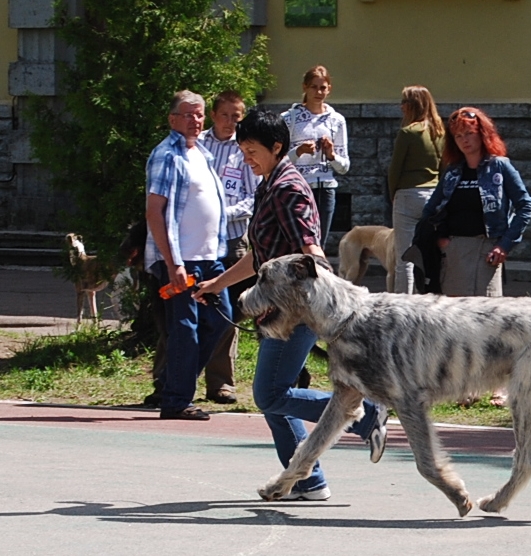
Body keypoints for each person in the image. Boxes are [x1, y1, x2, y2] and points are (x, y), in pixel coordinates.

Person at [193, 107, 388, 501]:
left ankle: (368, 415)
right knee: (274, 399)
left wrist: (331, 301)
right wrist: (217, 283)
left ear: (276, 146)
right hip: (277, 309)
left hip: (298, 310)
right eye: (242, 149)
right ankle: (307, 480)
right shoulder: (268, 184)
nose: (245, 157)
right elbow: (259, 257)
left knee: (269, 394)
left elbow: (310, 250)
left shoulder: (289, 189)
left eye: (251, 149)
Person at [418, 106, 531, 406]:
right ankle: (466, 387)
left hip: (488, 250)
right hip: (456, 249)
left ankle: (500, 385)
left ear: (482, 134)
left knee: (492, 321)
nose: (464, 141)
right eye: (458, 136)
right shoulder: (453, 172)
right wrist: (442, 239)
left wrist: (505, 244)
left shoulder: (500, 167)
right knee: (458, 323)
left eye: (469, 134)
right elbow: (432, 209)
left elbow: (525, 206)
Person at [144, 90, 233, 421]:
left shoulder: (203, 154)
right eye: (188, 114)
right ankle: (176, 400)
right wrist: (173, 263)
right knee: (186, 328)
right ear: (172, 120)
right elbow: (155, 212)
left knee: (221, 319)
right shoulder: (167, 155)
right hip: (183, 260)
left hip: (211, 257)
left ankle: (171, 384)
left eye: (199, 114)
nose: (196, 120)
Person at [198, 90, 262, 404]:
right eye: (225, 115)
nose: (230, 122)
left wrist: (226, 212)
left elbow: (255, 196)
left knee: (227, 313)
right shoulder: (198, 145)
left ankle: (221, 383)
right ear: (213, 115)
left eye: (236, 117)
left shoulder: (245, 151)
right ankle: (175, 378)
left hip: (233, 239)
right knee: (190, 308)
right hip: (198, 242)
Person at [281, 65, 349, 247]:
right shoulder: (289, 118)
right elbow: (278, 160)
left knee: (318, 244)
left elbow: (344, 167)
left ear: (329, 89)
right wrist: (299, 151)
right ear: (305, 87)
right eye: (314, 87)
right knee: (297, 242)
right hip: (297, 188)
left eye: (323, 88)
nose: (319, 92)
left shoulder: (337, 120)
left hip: (325, 189)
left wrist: (331, 154)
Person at [388, 85, 445, 294]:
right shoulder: (440, 132)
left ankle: (403, 303)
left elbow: (395, 168)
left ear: (413, 106)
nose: (401, 107)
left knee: (404, 258)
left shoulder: (408, 133)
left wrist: (392, 193)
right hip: (433, 195)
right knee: (430, 253)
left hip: (408, 194)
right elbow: (444, 167)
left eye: (404, 103)